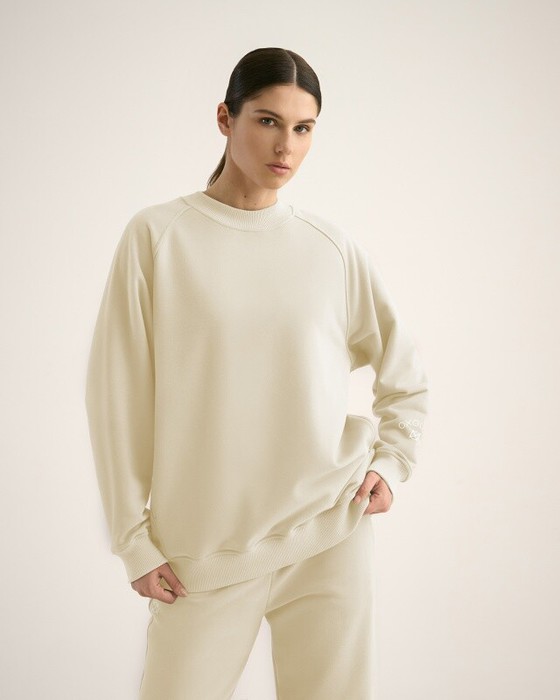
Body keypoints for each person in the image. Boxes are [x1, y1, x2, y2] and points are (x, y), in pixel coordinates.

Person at [85, 46, 429, 700]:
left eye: (303, 128)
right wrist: (133, 541)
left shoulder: (330, 248)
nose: (286, 146)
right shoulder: (158, 237)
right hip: (203, 550)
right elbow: (117, 397)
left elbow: (404, 370)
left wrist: (392, 461)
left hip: (330, 529)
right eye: (268, 121)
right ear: (226, 118)